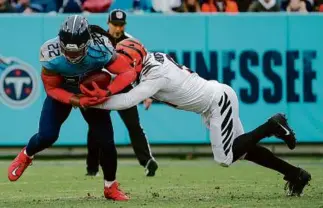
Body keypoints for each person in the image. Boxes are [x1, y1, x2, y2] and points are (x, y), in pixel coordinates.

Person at [81, 38, 312, 197]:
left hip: (216, 102)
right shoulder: (151, 58)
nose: (121, 68)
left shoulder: (155, 76)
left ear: (136, 61)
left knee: (225, 157)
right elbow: (129, 73)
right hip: (213, 100)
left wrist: (90, 102)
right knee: (244, 151)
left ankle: (272, 125)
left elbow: (128, 100)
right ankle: (295, 174)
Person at [7, 15, 136, 201]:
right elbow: (51, 88)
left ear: (87, 43)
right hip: (64, 89)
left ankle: (111, 186)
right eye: (67, 51)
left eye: (76, 52)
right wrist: (76, 99)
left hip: (92, 92)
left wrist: (107, 91)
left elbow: (126, 71)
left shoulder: (101, 47)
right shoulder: (50, 53)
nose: (71, 56)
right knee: (47, 136)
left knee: (106, 141)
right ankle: (26, 154)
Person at [86, 9, 158, 177]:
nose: (118, 28)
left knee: (133, 124)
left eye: (121, 25)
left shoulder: (130, 41)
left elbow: (142, 67)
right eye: (115, 24)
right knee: (96, 127)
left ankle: (147, 161)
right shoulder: (99, 39)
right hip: (102, 87)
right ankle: (92, 168)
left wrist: (147, 93)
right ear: (108, 23)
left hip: (123, 87)